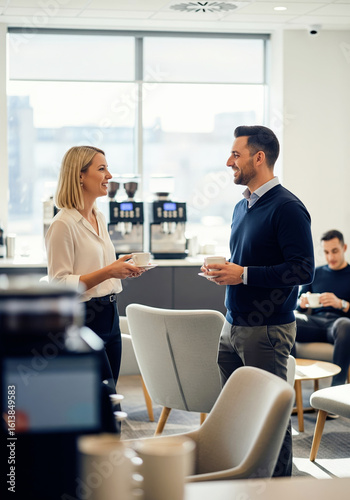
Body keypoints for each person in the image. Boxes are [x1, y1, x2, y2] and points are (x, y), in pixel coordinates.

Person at [201, 125, 314, 477]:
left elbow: (302, 270)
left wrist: (243, 274)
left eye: (236, 155)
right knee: (236, 414)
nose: (228, 162)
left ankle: (279, 486)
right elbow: (248, 259)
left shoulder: (288, 208)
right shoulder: (242, 206)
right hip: (232, 324)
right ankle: (241, 476)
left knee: (270, 417)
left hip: (266, 329)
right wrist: (227, 269)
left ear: (259, 157)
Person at [45, 145, 144, 387]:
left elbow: (100, 267)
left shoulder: (98, 216)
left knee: (109, 395)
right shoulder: (63, 224)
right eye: (102, 169)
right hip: (84, 318)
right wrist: (110, 271)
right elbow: (59, 284)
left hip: (110, 314)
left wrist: (120, 267)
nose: (109, 176)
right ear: (80, 175)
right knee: (98, 402)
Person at [295, 229, 350, 386]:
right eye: (326, 252)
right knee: (289, 319)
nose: (330, 257)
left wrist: (341, 303)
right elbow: (298, 304)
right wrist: (302, 302)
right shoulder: (315, 273)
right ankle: (288, 384)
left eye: (334, 251)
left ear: (344, 248)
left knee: (345, 324)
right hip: (315, 323)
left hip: (338, 325)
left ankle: (335, 391)